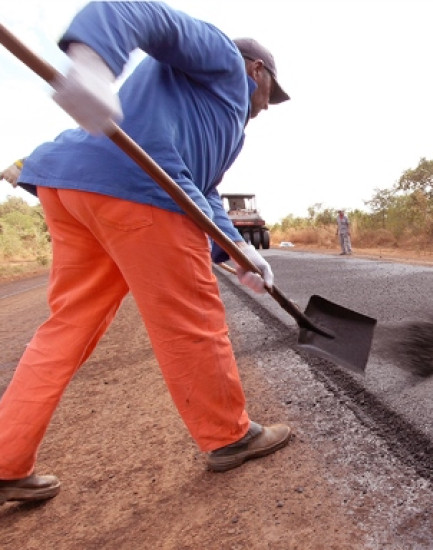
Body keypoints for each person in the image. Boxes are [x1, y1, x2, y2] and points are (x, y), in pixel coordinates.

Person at [0, 1, 293, 506]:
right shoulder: (223, 61)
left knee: (68, 326)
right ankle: (229, 435)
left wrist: (240, 250)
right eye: (272, 92)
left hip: (74, 184)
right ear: (257, 70)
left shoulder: (222, 123)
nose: (269, 105)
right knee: (188, 316)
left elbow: (202, 191)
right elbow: (131, 10)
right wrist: (92, 66)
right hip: (136, 188)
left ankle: (4, 459)